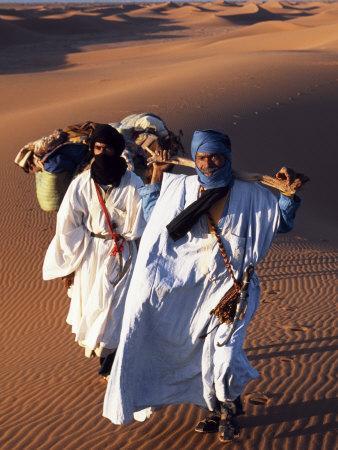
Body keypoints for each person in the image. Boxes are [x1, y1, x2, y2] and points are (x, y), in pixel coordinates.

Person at [102, 129, 301, 441]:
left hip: (233, 290)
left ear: (228, 157)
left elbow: (282, 223)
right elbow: (156, 217)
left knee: (225, 355)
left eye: (216, 156)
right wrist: (157, 174)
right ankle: (217, 409)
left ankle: (229, 409)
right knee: (201, 355)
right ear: (194, 159)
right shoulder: (180, 188)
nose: (209, 164)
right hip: (190, 292)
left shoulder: (252, 194)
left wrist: (288, 195)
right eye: (202, 158)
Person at [43, 125, 146, 377]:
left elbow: (142, 223)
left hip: (124, 254)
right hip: (91, 255)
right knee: (94, 304)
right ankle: (106, 354)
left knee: (117, 307)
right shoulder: (81, 184)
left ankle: (111, 360)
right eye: (98, 148)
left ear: (117, 151)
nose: (102, 153)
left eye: (108, 149)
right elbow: (68, 224)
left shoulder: (133, 182)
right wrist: (71, 264)